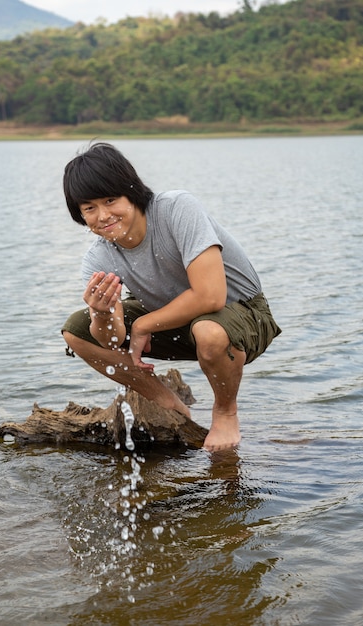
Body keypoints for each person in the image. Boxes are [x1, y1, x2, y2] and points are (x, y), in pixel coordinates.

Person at [61, 142, 281, 451]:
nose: (103, 215)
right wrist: (101, 313)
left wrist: (143, 325)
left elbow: (211, 296)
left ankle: (225, 412)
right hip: (173, 315)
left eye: (111, 200)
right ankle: (168, 401)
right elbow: (110, 341)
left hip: (243, 312)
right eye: (89, 209)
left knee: (208, 329)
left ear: (131, 191)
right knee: (76, 330)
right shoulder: (98, 259)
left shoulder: (176, 208)